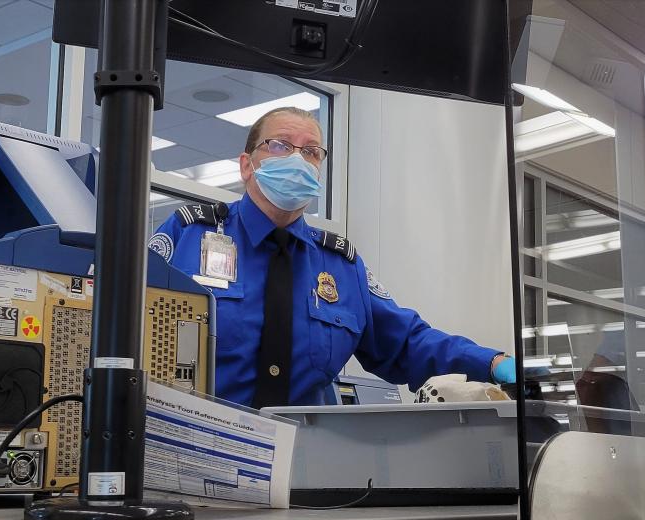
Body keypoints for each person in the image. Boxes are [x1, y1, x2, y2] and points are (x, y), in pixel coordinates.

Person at [149, 107, 515, 407]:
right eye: (279, 146)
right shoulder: (188, 235)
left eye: (311, 152)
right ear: (247, 165)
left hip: (304, 471)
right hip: (194, 457)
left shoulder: (340, 265)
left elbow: (405, 342)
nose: (297, 159)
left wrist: (492, 363)